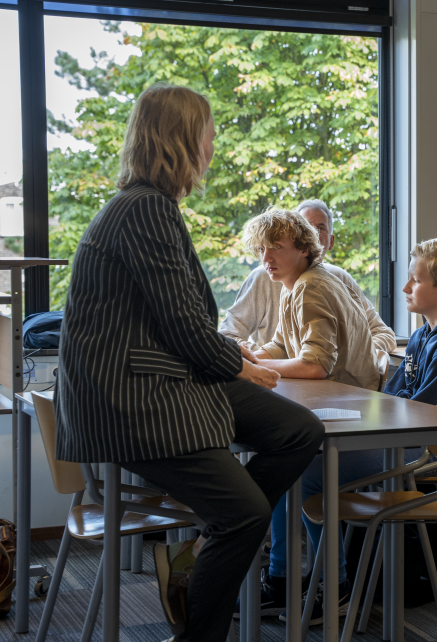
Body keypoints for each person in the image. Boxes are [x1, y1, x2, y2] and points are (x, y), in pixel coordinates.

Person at [54, 83, 323, 642]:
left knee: (299, 430)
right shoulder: (145, 209)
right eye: (209, 134)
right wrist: (239, 364)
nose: (213, 147)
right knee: (246, 514)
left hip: (159, 379)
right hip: (134, 399)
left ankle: (207, 544)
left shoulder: (148, 208)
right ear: (181, 140)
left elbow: (177, 321)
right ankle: (201, 612)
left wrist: (234, 357)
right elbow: (182, 324)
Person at [276, 238, 437, 625]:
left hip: (423, 452)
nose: (404, 289)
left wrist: (369, 411)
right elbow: (395, 398)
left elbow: (417, 415)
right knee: (293, 465)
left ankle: (335, 587)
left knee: (305, 476)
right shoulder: (421, 337)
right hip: (404, 442)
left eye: (414, 281)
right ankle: (290, 580)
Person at [220, 199, 396, 355]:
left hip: (321, 383)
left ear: (330, 241)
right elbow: (230, 336)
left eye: (320, 228)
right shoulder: (270, 277)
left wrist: (354, 355)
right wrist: (255, 361)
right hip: (284, 379)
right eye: (306, 225)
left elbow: (382, 334)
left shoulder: (330, 279)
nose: (313, 233)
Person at [243, 208, 379, 390]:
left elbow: (316, 367)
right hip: (335, 395)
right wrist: (247, 359)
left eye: (276, 247)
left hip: (345, 400)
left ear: (304, 249)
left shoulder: (310, 286)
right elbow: (280, 345)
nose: (266, 258)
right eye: (261, 249)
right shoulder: (293, 283)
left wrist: (252, 367)